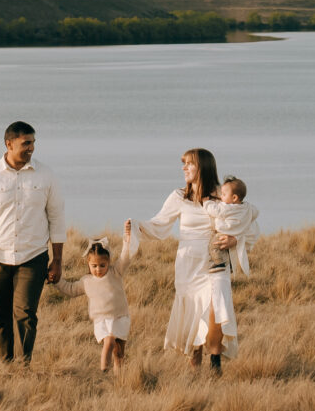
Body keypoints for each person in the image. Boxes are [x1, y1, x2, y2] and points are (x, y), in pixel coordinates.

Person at [124, 147, 250, 375]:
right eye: (183, 163)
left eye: (189, 163)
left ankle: (215, 363)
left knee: (216, 308)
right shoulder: (178, 197)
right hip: (188, 265)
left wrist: (235, 239)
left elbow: (247, 219)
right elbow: (159, 225)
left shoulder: (222, 194)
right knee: (192, 312)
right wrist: (136, 225)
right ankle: (195, 369)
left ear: (202, 167)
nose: (184, 168)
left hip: (215, 264)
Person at [0, 120, 64, 366]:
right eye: (26, 143)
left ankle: (23, 365)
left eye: (33, 143)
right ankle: (6, 363)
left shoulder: (46, 175)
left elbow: (56, 218)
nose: (31, 148)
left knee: (26, 313)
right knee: (0, 316)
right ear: (9, 144)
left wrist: (57, 261)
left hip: (33, 256)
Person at [78, 240, 129, 371]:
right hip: (101, 320)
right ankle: (104, 370)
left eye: (102, 265)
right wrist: (56, 281)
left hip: (120, 316)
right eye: (94, 266)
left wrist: (127, 241)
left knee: (119, 353)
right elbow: (69, 289)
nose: (98, 269)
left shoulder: (115, 272)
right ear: (88, 264)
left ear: (108, 263)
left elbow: (125, 258)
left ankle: (119, 377)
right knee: (109, 341)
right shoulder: (86, 281)